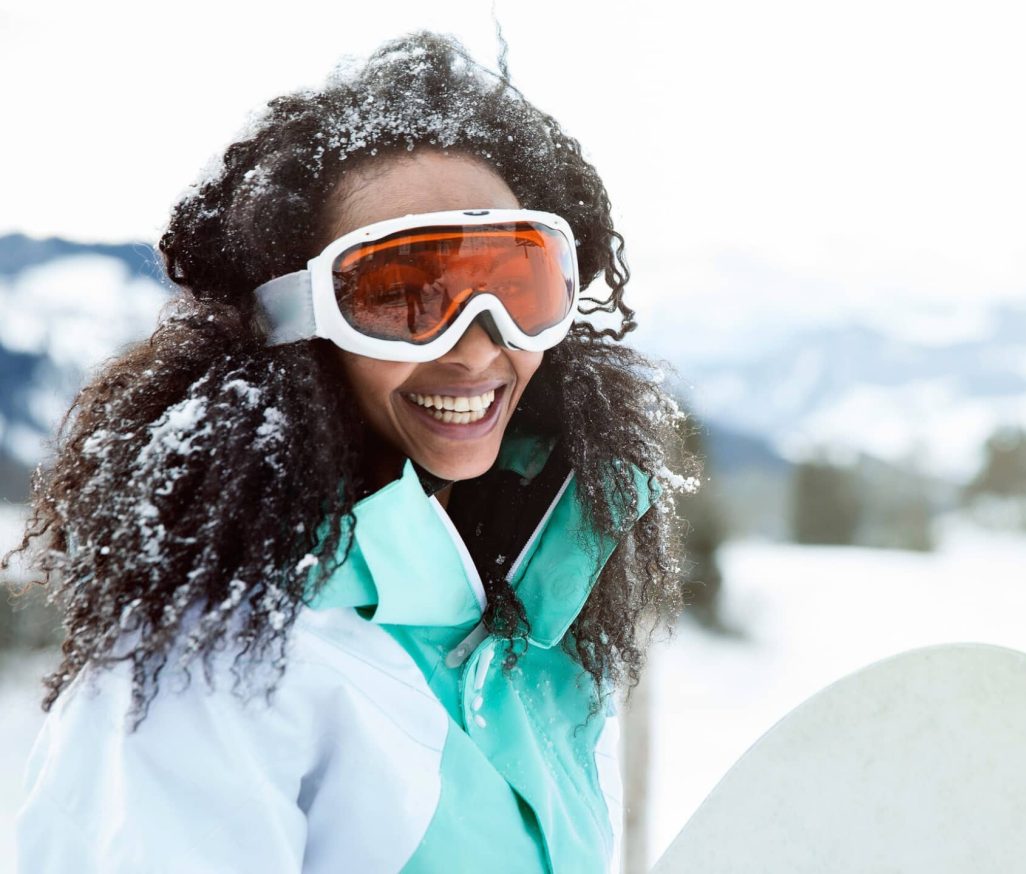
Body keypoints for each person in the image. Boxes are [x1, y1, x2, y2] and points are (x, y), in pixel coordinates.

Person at [10, 29, 694, 873]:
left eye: (518, 288)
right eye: (405, 298)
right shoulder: (224, 664)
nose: (479, 349)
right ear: (293, 327)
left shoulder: (527, 623)